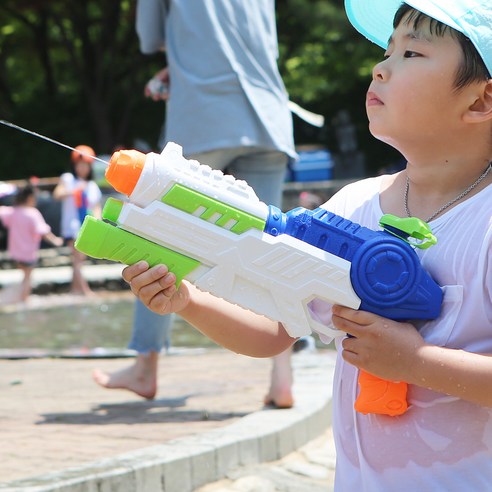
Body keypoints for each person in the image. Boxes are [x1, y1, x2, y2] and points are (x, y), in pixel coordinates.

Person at [122, 0, 492, 489]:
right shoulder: (353, 206)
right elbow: (275, 331)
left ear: (480, 102)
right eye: (386, 51)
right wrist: (187, 300)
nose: (381, 68)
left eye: (412, 54)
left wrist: (415, 363)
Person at [93, 0, 298, 408]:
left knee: (157, 235)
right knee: (275, 252)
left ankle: (145, 366)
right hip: (270, 118)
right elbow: (262, 46)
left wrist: (180, 67)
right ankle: (282, 378)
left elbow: (151, 37)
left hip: (206, 115)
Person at [0, 183, 63, 301]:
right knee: (28, 277)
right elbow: (44, 232)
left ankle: (20, 297)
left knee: (24, 276)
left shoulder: (13, 212)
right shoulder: (32, 213)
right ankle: (24, 298)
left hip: (16, 253)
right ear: (30, 198)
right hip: (28, 253)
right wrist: (56, 241)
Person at [53, 145, 102, 295]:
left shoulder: (93, 186)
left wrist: (97, 225)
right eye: (80, 165)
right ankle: (86, 291)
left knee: (79, 260)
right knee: (78, 258)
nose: (83, 168)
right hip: (72, 226)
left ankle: (74, 290)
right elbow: (57, 194)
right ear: (75, 165)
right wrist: (73, 191)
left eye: (86, 165)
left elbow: (96, 208)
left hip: (86, 227)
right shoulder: (68, 179)